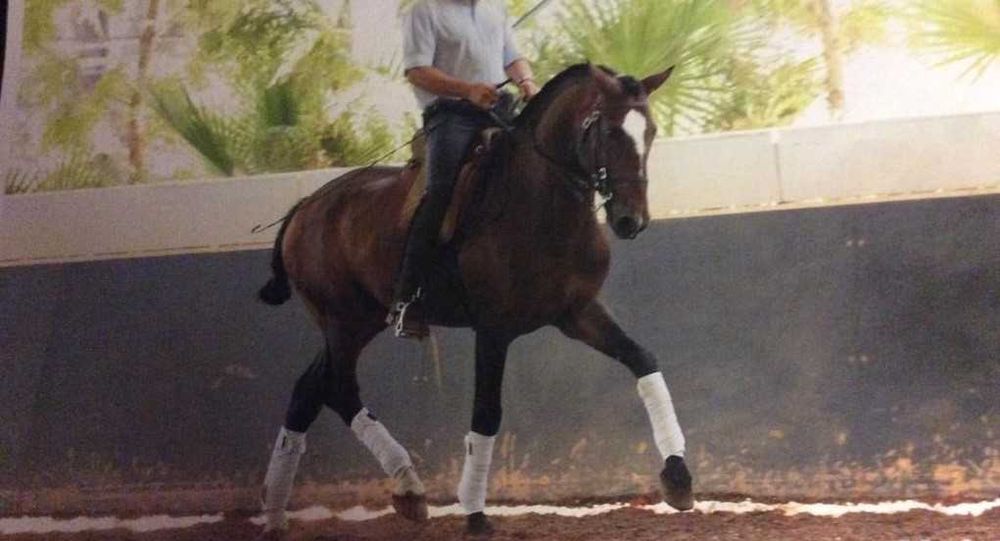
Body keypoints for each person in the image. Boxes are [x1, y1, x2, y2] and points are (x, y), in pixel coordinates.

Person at [389, 0, 540, 338]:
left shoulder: (494, 9)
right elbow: (417, 71)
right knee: (440, 192)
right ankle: (406, 298)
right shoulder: (424, 11)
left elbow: (512, 58)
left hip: (498, 108)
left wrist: (527, 82)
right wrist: (467, 90)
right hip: (451, 116)